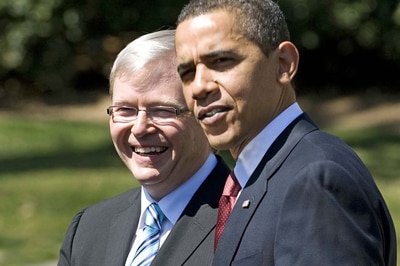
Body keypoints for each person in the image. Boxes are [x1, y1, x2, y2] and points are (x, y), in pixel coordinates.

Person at [174, 0, 397, 265]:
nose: (198, 87)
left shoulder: (315, 181)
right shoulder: (253, 179)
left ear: (283, 63)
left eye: (221, 61)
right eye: (187, 73)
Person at [57, 29, 231, 266]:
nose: (139, 128)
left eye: (162, 110)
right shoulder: (88, 228)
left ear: (206, 115)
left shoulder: (247, 224)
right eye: (125, 110)